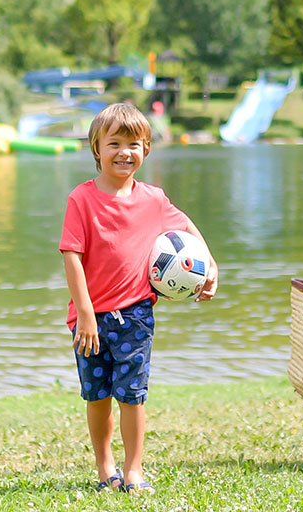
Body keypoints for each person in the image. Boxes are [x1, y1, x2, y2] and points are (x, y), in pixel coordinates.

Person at [60, 102, 218, 493]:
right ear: (96, 148)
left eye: (134, 143)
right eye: (113, 143)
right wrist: (85, 313)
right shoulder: (81, 199)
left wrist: (210, 266)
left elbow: (186, 228)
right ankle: (105, 468)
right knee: (97, 397)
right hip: (90, 320)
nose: (124, 152)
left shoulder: (153, 199)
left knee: (132, 396)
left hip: (135, 315)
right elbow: (72, 256)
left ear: (146, 149)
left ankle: (133, 472)